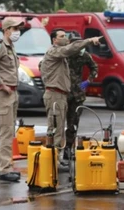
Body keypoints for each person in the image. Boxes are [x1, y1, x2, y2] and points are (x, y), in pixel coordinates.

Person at [40, 28, 101, 163]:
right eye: (62, 36)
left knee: (67, 126)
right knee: (56, 127)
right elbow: (67, 50)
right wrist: (90, 40)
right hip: (56, 94)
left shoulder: (78, 55)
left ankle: (61, 153)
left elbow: (94, 68)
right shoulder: (57, 52)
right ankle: (52, 161)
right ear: (54, 40)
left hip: (71, 93)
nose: (65, 39)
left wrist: (88, 82)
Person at [0, 17, 24, 181]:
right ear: (7, 30)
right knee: (6, 132)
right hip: (4, 93)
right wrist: (1, 84)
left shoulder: (10, 47)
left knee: (6, 131)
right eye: (15, 29)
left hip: (12, 93)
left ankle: (1, 167)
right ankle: (5, 169)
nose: (17, 32)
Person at [63, 31, 98, 159]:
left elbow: (94, 67)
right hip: (63, 92)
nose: (77, 45)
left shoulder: (84, 55)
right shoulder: (63, 53)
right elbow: (44, 65)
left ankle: (68, 148)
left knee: (73, 123)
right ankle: (57, 148)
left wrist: (89, 81)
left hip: (77, 94)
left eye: (79, 42)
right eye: (74, 42)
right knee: (58, 122)